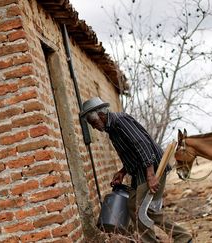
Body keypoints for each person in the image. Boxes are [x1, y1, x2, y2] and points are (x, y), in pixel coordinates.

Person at [80, 97, 192, 243]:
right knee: (135, 206)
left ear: (101, 115)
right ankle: (167, 238)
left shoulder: (120, 122)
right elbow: (133, 153)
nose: (94, 127)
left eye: (94, 123)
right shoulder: (112, 129)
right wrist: (122, 172)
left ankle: (182, 237)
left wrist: (151, 175)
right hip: (140, 171)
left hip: (152, 169)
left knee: (142, 210)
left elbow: (143, 145)